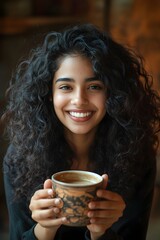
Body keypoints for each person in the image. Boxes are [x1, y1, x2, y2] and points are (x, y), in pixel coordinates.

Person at [3, 23, 160, 240]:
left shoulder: (138, 158)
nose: (79, 100)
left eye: (94, 86)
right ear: (49, 94)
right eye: (66, 87)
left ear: (113, 94)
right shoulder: (20, 157)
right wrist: (44, 229)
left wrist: (101, 233)